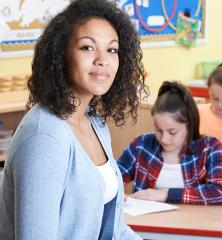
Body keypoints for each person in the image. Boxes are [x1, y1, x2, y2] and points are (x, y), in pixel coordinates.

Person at [0, 0, 146, 239]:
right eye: (88, 48)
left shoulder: (95, 124)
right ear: (61, 55)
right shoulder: (44, 137)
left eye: (112, 50)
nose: (103, 60)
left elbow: (115, 230)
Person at [117, 81, 222, 205]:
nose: (164, 139)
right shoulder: (142, 145)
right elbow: (112, 179)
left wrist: (166, 194)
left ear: (189, 125)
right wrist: (114, 192)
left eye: (172, 132)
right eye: (159, 130)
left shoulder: (209, 148)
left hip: (190, 223)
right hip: (146, 222)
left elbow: (221, 192)